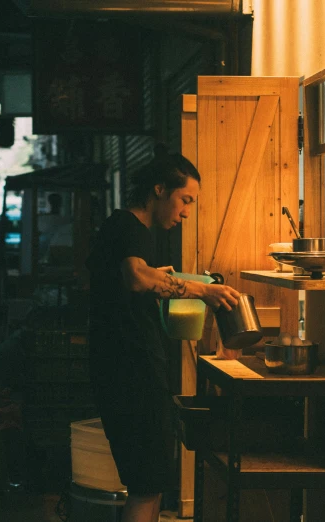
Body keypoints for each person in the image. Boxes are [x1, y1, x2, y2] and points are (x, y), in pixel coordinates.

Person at [86, 149, 241, 522]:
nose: (187, 211)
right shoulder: (129, 227)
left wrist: (168, 277)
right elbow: (137, 277)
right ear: (159, 190)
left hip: (126, 369)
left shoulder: (127, 230)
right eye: (184, 199)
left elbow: (138, 274)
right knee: (146, 484)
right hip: (130, 372)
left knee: (150, 481)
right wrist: (202, 291)